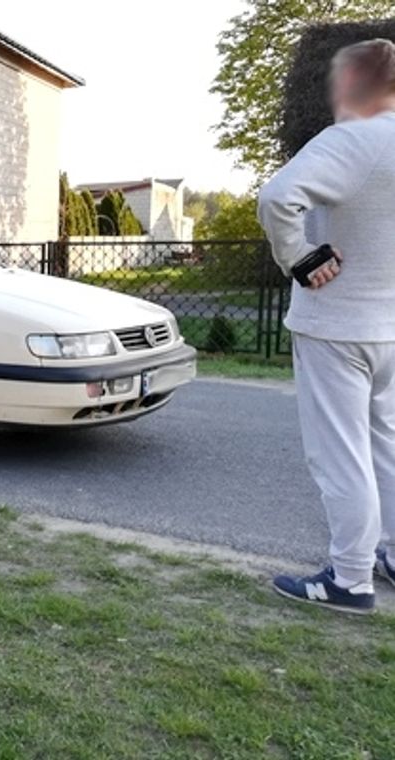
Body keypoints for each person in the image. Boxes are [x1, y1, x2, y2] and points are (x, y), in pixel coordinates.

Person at [259, 39, 395, 614]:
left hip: (338, 324)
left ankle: (350, 578)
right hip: (390, 324)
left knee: (340, 454)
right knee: (387, 443)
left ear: (356, 83)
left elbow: (277, 196)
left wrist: (301, 257)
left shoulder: (353, 140)